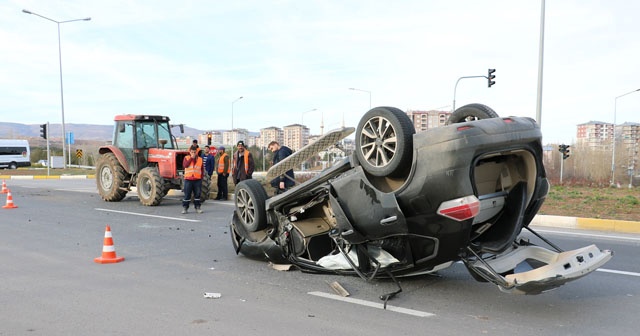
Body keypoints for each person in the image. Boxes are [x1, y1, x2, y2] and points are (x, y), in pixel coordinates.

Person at [182, 145, 204, 214]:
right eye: (192, 152)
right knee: (187, 194)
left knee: (197, 194)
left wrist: (201, 177)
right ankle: (185, 208)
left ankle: (197, 207)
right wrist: (191, 158)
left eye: (194, 152)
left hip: (197, 179)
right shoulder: (186, 158)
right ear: (190, 152)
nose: (193, 153)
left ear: (196, 152)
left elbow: (202, 169)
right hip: (188, 179)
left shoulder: (200, 159)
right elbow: (185, 165)